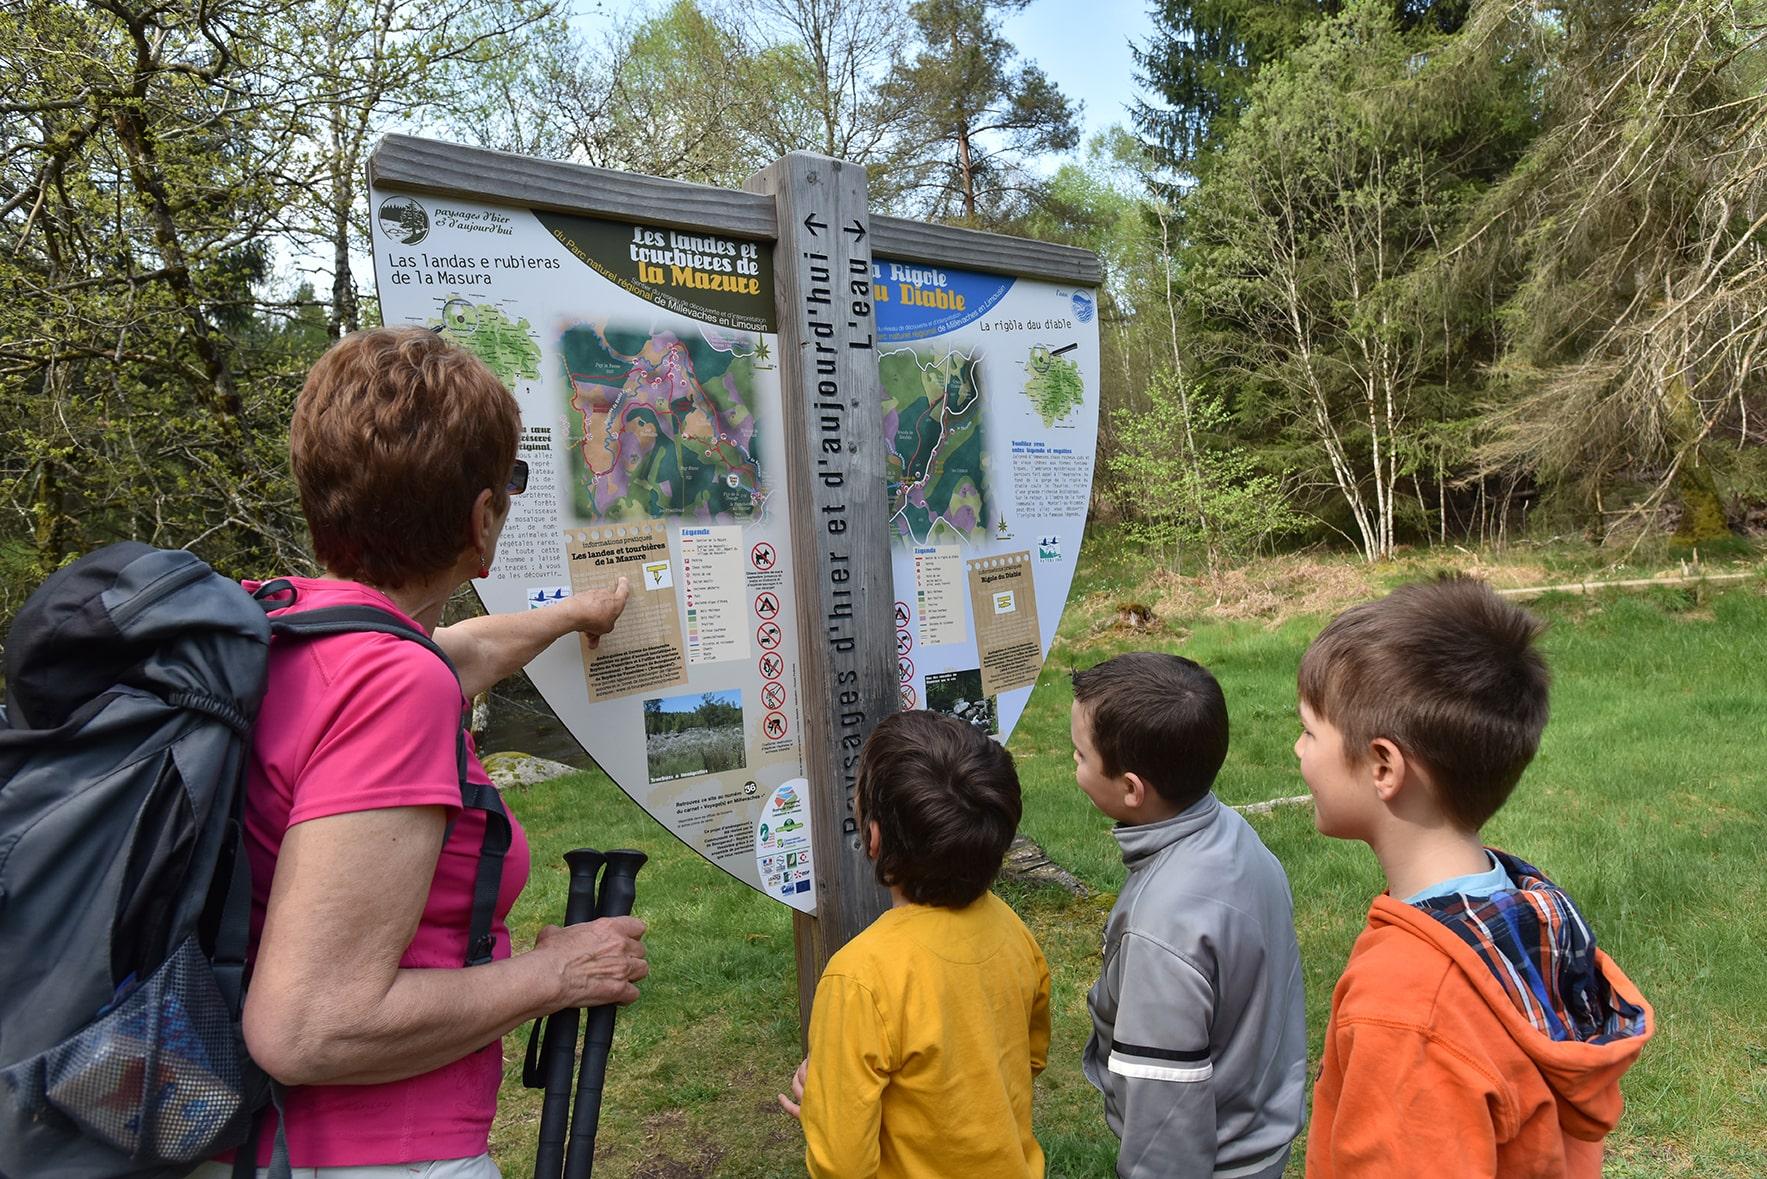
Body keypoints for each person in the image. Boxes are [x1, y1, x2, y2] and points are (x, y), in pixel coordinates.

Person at [193, 326, 649, 1178]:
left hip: (247, 1140)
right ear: (481, 518)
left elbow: (455, 653)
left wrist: (570, 615)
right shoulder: (392, 685)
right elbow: (309, 1025)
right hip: (367, 1155)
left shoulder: (287, 628)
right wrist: (556, 973)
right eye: (508, 486)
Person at [1296, 576, 1655, 1176]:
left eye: (1310, 731)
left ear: (1383, 766)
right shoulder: (1528, 910)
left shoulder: (1406, 1005)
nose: (1298, 749)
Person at [778, 710, 1052, 1179]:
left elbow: (842, 1163)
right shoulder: (1012, 929)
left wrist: (826, 1110)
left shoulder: (858, 978)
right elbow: (1030, 1057)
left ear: (874, 837)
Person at [1070, 652, 1308, 1179]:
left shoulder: (1162, 930)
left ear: (1131, 789)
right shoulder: (1233, 835)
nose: (1074, 766)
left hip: (1216, 1161)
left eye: (1081, 755)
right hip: (1258, 1133)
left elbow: (1165, 1117)